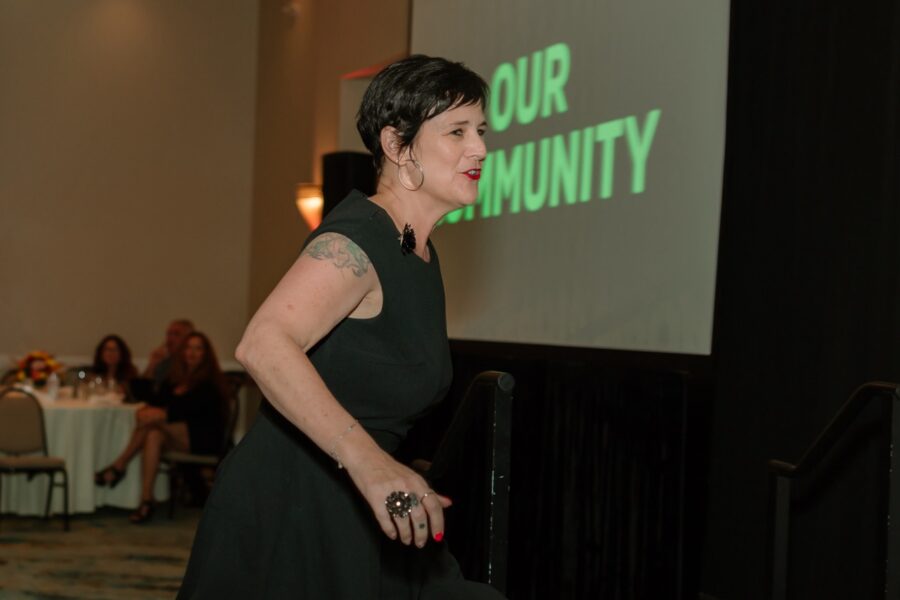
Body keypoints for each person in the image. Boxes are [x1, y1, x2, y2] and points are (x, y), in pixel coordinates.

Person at [177, 55, 503, 599]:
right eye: (458, 131)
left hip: (359, 504)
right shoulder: (358, 239)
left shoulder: (419, 253)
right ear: (398, 147)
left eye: (482, 131)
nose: (481, 149)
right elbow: (262, 345)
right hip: (293, 506)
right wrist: (369, 461)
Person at [95, 331, 228, 524]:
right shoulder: (176, 378)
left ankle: (119, 465)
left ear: (206, 354)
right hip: (177, 435)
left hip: (204, 438)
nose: (192, 352)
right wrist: (152, 368)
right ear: (182, 352)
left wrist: (157, 415)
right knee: (153, 434)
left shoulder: (209, 383)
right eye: (189, 348)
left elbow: (189, 412)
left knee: (152, 422)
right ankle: (146, 500)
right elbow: (154, 397)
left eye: (198, 348)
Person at [143, 318, 194, 386]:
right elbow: (143, 388)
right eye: (169, 334)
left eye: (177, 334)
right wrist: (152, 366)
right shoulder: (163, 362)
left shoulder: (191, 363)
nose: (170, 338)